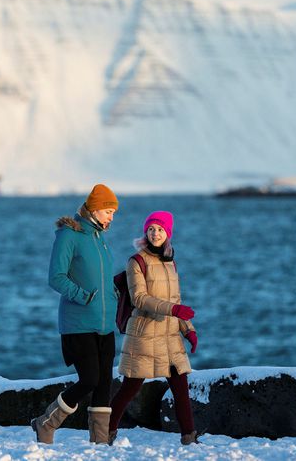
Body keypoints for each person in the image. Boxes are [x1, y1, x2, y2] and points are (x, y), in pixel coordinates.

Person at [31, 184, 119, 444]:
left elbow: (100, 278)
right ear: (93, 209)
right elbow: (56, 277)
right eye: (107, 211)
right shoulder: (69, 234)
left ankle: (100, 442)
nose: (111, 217)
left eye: (113, 212)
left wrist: (113, 292)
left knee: (104, 383)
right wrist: (83, 296)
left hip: (105, 324)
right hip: (78, 323)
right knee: (89, 379)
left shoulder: (99, 238)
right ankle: (45, 423)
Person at [108, 211, 200, 445]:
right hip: (144, 335)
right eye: (151, 229)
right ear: (146, 233)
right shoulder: (136, 261)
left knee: (181, 389)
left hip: (169, 336)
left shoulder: (170, 262)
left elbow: (176, 300)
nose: (155, 233)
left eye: (160, 229)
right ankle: (105, 432)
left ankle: (189, 437)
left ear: (167, 233)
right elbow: (139, 298)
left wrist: (188, 330)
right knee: (129, 389)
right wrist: (173, 310)